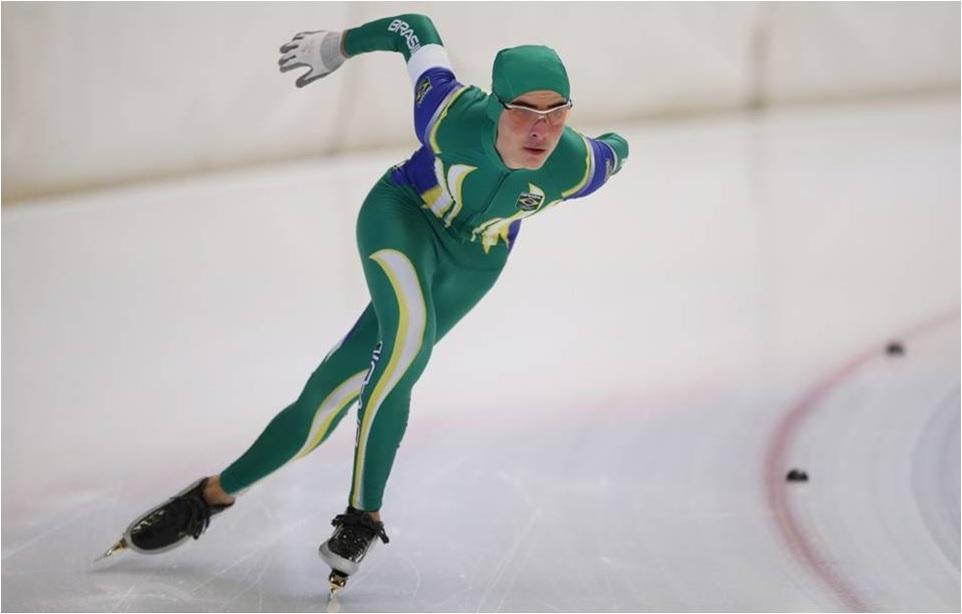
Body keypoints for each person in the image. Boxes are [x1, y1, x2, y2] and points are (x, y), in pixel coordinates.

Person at [99, 14, 629, 595]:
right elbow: (416, 28)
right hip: (402, 216)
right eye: (524, 111)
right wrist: (338, 46)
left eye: (556, 114)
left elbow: (614, 150)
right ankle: (364, 516)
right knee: (406, 346)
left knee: (328, 395)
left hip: (472, 265)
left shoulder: (577, 164)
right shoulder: (449, 113)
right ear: (497, 105)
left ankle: (211, 495)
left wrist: (618, 147)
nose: (540, 130)